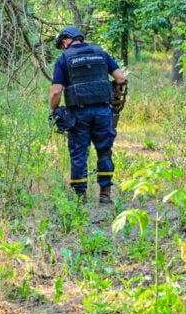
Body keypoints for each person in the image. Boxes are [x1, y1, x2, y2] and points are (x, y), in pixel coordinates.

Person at [50, 26, 128, 204]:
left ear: (65, 41)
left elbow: (56, 92)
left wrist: (53, 111)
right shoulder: (101, 53)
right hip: (103, 112)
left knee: (79, 154)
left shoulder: (64, 59)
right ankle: (105, 194)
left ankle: (80, 198)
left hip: (78, 114)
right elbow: (121, 79)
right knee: (104, 152)